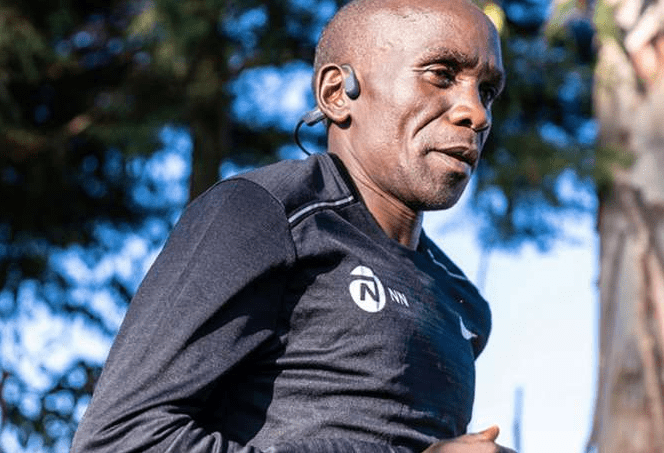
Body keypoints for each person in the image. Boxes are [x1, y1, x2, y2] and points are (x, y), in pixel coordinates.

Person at [71, 0, 513, 452]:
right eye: (441, 75)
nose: (476, 114)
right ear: (337, 93)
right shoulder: (265, 214)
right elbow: (119, 440)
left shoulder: (463, 303)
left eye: (487, 92)